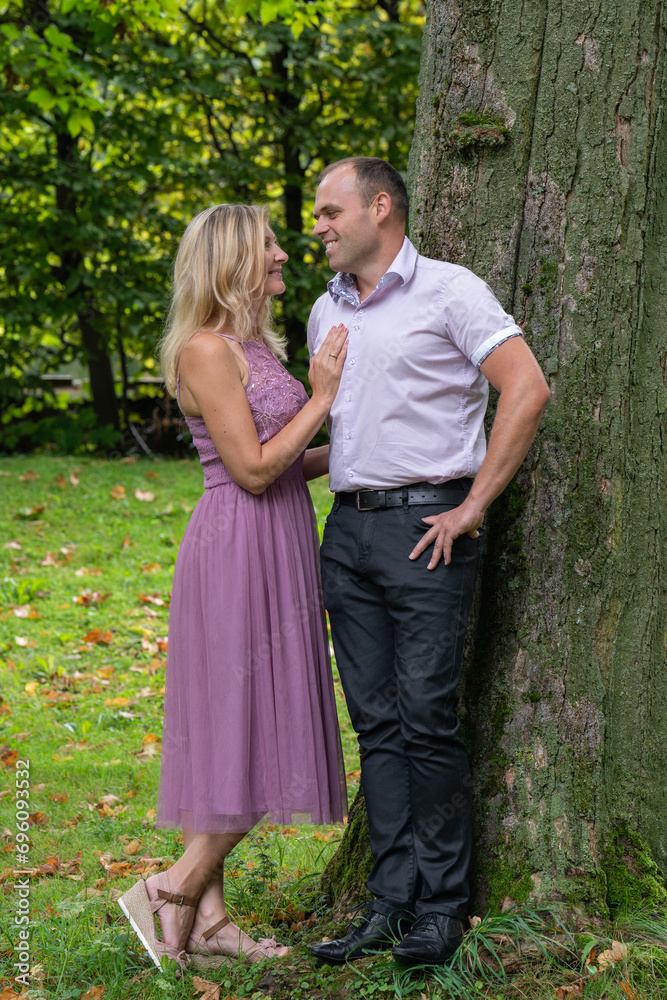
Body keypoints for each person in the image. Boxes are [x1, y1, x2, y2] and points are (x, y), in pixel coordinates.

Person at [306, 157, 550, 967]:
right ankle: (388, 902)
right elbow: (344, 428)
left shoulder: (449, 289)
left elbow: (525, 387)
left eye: (331, 210)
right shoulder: (323, 312)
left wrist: (472, 505)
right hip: (346, 533)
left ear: (381, 208)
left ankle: (441, 910)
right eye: (315, 214)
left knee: (425, 721)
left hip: (426, 529)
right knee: (375, 726)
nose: (319, 225)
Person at [118, 203, 348, 972]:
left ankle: (210, 922)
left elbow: (282, 457)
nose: (284, 254)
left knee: (241, 725)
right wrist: (321, 399)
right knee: (247, 728)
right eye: (268, 246)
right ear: (231, 261)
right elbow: (250, 470)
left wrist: (360, 456)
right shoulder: (207, 350)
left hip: (279, 538)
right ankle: (172, 888)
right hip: (236, 545)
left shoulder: (256, 346)